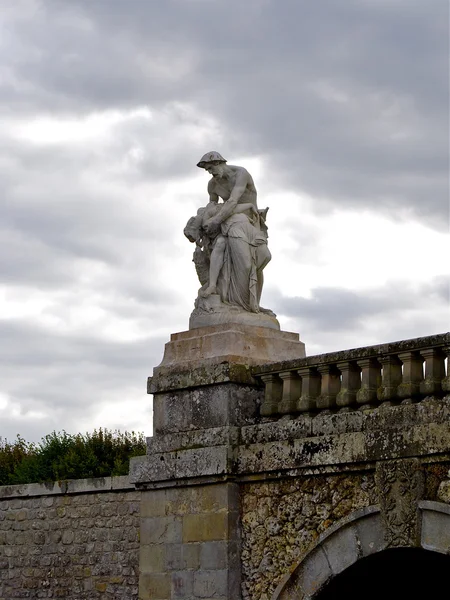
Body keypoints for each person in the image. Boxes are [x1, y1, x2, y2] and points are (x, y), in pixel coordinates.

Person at [194, 151, 272, 313]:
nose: (210, 172)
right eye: (207, 170)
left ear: (219, 163)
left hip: (250, 221)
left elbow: (232, 201)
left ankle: (253, 303)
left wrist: (215, 221)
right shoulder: (213, 185)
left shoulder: (240, 174)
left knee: (259, 261)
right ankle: (219, 290)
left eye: (211, 168)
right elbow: (212, 207)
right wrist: (202, 224)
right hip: (229, 223)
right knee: (223, 246)